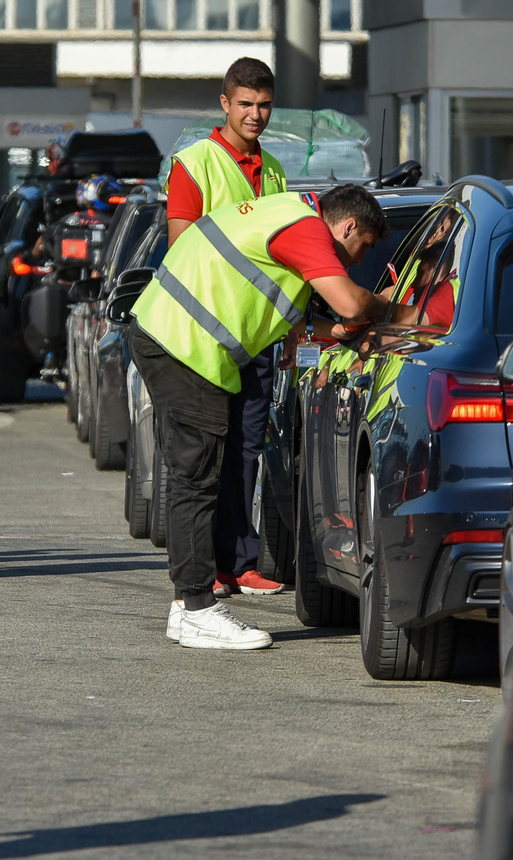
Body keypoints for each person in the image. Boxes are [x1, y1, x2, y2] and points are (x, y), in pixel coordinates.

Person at [130, 184, 388, 650]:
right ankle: (196, 608)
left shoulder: (284, 212)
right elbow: (350, 303)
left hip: (171, 335)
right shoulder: (307, 230)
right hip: (186, 347)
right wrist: (392, 309)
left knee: (197, 476)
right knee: (197, 479)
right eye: (362, 248)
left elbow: (291, 313)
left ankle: (187, 605)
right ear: (348, 226)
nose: (354, 262)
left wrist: (332, 333)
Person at [164, 56, 289, 600]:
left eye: (263, 105)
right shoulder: (195, 164)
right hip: (207, 337)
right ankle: (211, 568)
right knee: (209, 455)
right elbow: (179, 249)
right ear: (225, 103)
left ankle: (241, 563)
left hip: (256, 336)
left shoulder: (277, 171)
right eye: (245, 104)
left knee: (246, 451)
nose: (255, 114)